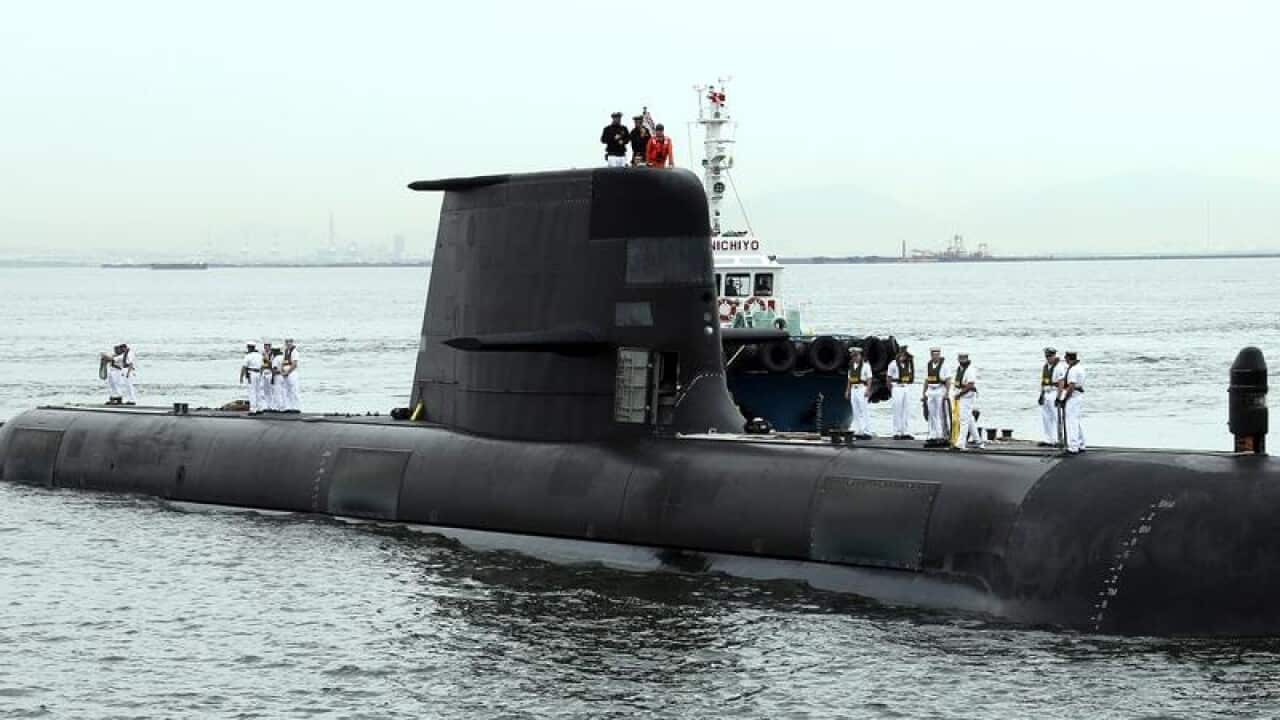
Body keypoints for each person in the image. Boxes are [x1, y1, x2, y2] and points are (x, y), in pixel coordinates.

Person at [1037, 347, 1067, 446]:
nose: (1048, 358)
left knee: (1056, 417)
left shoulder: (1059, 367)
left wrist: (1058, 397)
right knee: (1046, 417)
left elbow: (1061, 383)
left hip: (1054, 392)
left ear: (1054, 355)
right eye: (1047, 356)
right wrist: (1041, 395)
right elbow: (1043, 382)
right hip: (1046, 393)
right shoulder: (1045, 366)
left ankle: (1060, 439)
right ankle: (1048, 439)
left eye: (1050, 356)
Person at [953, 352, 983, 449]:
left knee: (963, 420)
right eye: (960, 358)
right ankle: (978, 441)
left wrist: (959, 394)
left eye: (964, 358)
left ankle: (961, 443)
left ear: (967, 359)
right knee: (969, 419)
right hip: (961, 394)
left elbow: (970, 385)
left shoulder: (970, 370)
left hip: (967, 396)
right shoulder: (960, 369)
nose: (962, 360)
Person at [1059, 350, 1086, 454]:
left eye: (1066, 358)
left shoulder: (1073, 370)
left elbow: (1071, 386)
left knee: (1071, 422)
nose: (1065, 360)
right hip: (1078, 397)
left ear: (1069, 358)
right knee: (1076, 421)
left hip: (1073, 397)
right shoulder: (1080, 368)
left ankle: (1073, 446)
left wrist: (1064, 399)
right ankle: (1081, 443)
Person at [921, 347, 950, 447]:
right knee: (931, 414)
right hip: (930, 390)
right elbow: (926, 380)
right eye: (934, 354)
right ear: (931, 355)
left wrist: (947, 393)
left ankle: (941, 435)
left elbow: (948, 380)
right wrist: (923, 393)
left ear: (939, 355)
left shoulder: (944, 366)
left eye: (937, 354)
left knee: (940, 414)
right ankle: (932, 435)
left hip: (939, 389)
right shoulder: (928, 365)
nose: (936, 356)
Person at [887, 345, 915, 439]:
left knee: (906, 410)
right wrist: (891, 389)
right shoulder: (893, 364)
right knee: (897, 410)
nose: (904, 356)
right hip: (897, 387)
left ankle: (905, 431)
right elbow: (889, 378)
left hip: (906, 387)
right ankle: (896, 432)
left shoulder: (909, 363)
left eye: (905, 355)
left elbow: (911, 375)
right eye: (902, 354)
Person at [844, 346, 872, 439]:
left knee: (863, 410)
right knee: (855, 411)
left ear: (860, 356)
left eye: (856, 355)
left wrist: (868, 389)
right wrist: (847, 390)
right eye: (853, 356)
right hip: (854, 389)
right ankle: (859, 430)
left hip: (861, 388)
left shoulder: (866, 366)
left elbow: (869, 378)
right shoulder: (851, 366)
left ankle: (866, 431)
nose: (855, 357)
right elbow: (850, 379)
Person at [240, 341, 264, 414]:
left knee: (252, 391)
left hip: (251, 374)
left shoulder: (248, 356)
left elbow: (244, 367)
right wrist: (261, 374)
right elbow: (263, 366)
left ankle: (253, 409)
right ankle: (260, 408)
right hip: (259, 373)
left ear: (249, 347)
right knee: (258, 391)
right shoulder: (260, 355)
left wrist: (241, 376)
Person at [281, 338, 301, 413]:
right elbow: (283, 362)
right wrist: (282, 371)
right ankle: (288, 407)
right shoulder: (286, 351)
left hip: (292, 372)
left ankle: (296, 407)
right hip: (286, 372)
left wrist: (287, 372)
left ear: (292, 343)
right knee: (286, 390)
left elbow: (294, 364)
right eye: (286, 342)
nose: (288, 344)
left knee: (294, 390)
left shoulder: (294, 352)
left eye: (289, 342)